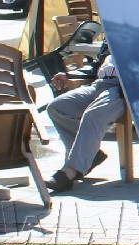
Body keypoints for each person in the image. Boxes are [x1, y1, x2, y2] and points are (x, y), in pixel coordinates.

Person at [45, 44, 123, 192]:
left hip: (121, 89)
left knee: (92, 115)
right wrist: (68, 75)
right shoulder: (110, 35)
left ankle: (70, 171)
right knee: (57, 107)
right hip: (99, 84)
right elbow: (95, 66)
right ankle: (90, 155)